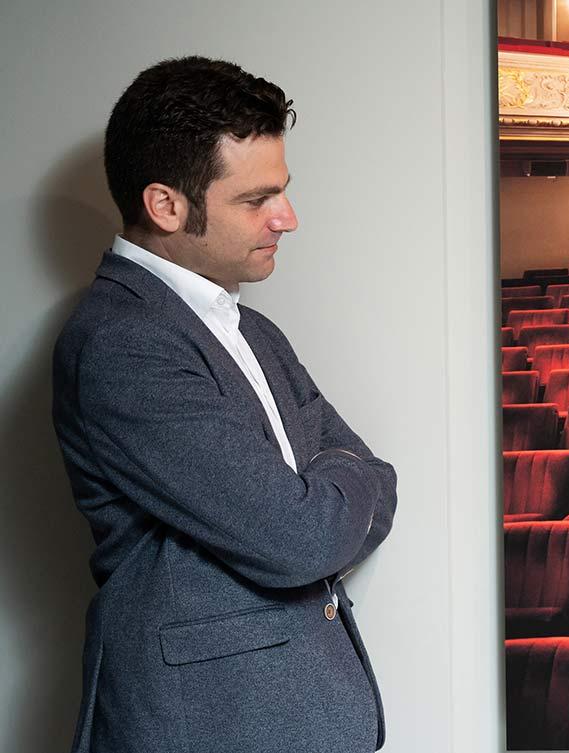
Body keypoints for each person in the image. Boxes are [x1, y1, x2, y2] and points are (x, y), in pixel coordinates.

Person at [51, 57, 397, 753]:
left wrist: (321, 494)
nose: (287, 218)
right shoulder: (123, 344)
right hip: (209, 726)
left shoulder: (252, 330)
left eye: (284, 192)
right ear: (166, 205)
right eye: (255, 199)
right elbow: (297, 539)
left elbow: (380, 483)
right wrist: (321, 492)